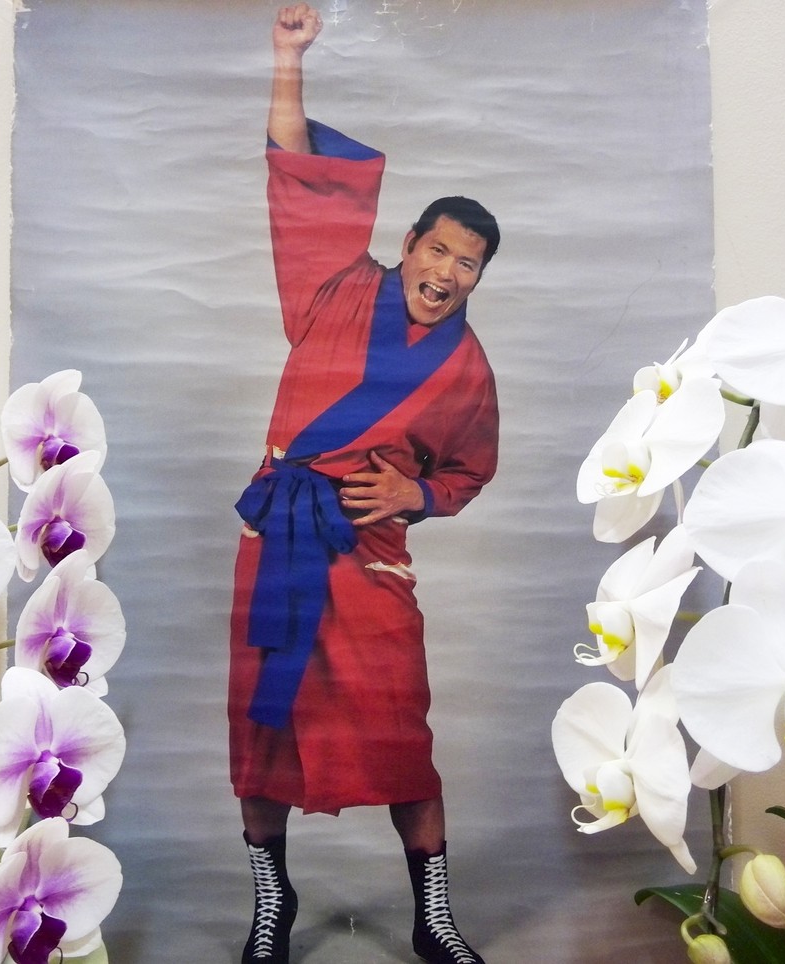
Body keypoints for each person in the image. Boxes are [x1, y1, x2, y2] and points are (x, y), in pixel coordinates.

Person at [228, 5, 499, 962]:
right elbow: (297, 173)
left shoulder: (468, 371)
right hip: (280, 537)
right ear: (410, 242)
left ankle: (434, 917)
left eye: (468, 266)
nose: (447, 273)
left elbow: (468, 471)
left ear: (477, 280)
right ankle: (273, 900)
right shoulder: (334, 284)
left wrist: (414, 497)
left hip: (369, 557)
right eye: (439, 250)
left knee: (399, 737)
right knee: (263, 732)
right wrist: (287, 58)